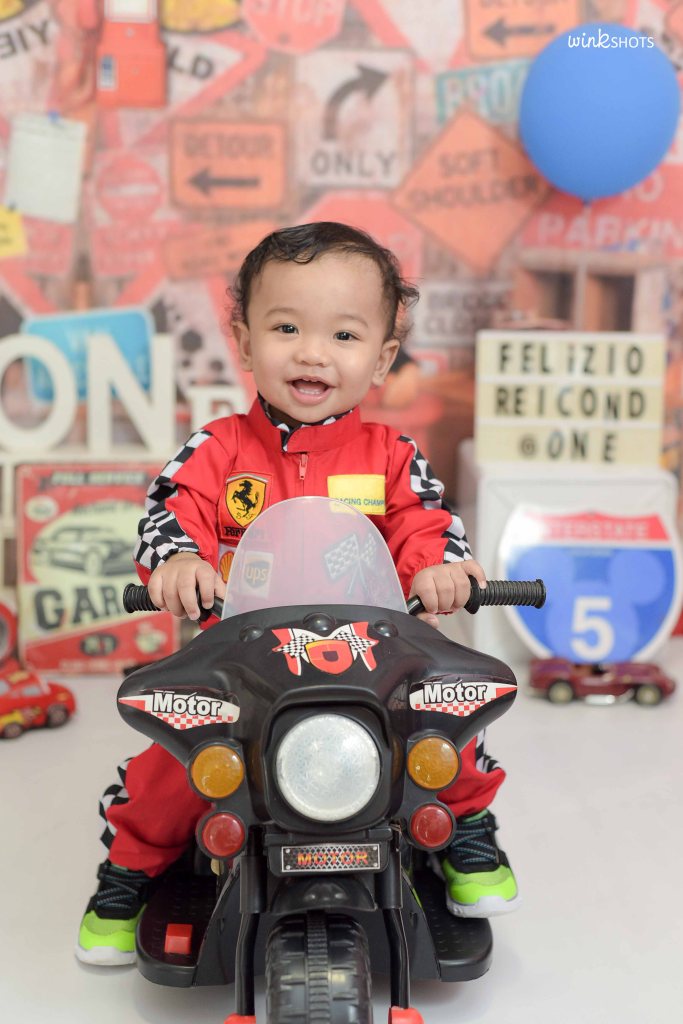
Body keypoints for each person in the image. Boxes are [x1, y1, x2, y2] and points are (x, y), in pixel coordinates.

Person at [76, 222, 519, 966]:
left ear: (381, 358)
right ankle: (130, 869)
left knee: (444, 729)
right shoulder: (218, 448)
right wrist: (178, 559)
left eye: (343, 335)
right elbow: (170, 510)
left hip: (373, 654)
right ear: (245, 342)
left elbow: (426, 519)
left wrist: (439, 566)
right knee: (172, 765)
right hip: (240, 660)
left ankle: (466, 830)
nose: (312, 352)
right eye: (286, 328)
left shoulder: (391, 455)